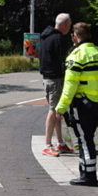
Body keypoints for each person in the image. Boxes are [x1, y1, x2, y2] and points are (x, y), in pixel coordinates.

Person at [55, 23, 98, 186]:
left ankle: (89, 176)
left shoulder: (76, 56)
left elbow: (69, 86)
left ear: (74, 36)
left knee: (84, 140)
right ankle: (85, 171)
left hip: (82, 105)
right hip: (97, 104)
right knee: (88, 137)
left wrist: (61, 107)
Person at [37, 13, 74, 157]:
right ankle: (47, 144)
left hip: (47, 77)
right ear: (64, 25)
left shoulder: (45, 36)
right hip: (56, 78)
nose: (69, 29)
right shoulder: (59, 38)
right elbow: (64, 59)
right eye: (69, 26)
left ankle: (61, 142)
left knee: (58, 110)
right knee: (53, 110)